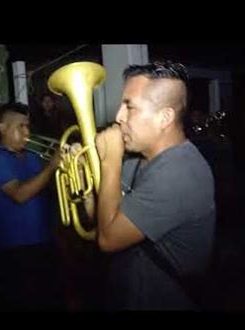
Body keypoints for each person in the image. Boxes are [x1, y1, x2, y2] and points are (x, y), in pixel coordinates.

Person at [89, 61, 216, 310]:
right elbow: (105, 216)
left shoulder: (179, 172)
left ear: (164, 117)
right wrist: (85, 189)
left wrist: (109, 161)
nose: (118, 117)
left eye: (130, 107)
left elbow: (108, 239)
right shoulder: (138, 160)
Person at [0, 102, 64, 310]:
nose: (27, 132)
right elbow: (20, 194)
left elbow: (47, 186)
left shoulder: (33, 155)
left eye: (28, 126)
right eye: (21, 127)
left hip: (44, 242)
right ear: (3, 128)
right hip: (15, 250)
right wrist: (52, 166)